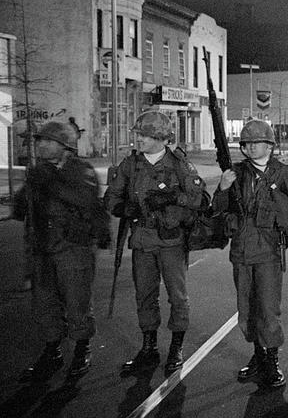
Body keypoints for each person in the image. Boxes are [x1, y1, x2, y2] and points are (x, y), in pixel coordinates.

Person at [212, 119, 288, 388]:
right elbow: (216, 208)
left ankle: (272, 360)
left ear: (270, 145)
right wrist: (223, 188)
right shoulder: (235, 173)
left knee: (268, 310)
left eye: (256, 143)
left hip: (268, 252)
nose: (250, 148)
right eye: (246, 144)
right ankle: (258, 355)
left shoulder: (283, 175)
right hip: (241, 252)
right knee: (246, 310)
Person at [105, 110, 208, 375]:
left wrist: (173, 198)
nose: (139, 139)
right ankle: (148, 347)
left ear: (161, 138)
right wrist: (123, 208)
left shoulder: (179, 164)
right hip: (142, 241)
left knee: (178, 296)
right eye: (138, 135)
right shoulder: (131, 164)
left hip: (171, 240)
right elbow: (111, 198)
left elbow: (201, 200)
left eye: (145, 135)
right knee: (145, 296)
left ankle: (176, 347)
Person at [14, 121, 109, 381]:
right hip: (42, 249)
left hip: (72, 249)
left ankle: (81, 348)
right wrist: (25, 191)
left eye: (48, 141)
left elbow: (83, 201)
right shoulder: (39, 172)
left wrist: (48, 182)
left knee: (77, 303)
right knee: (45, 305)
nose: (40, 145)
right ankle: (52, 350)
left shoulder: (81, 171)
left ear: (65, 147)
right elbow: (19, 208)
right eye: (39, 141)